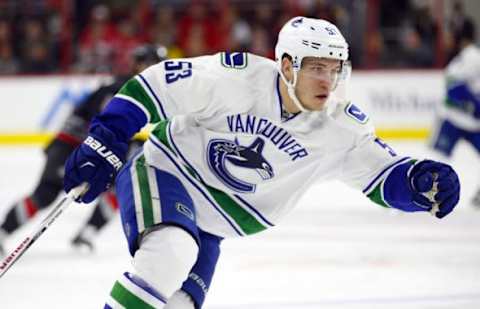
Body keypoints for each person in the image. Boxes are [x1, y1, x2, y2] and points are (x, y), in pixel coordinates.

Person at [63, 17, 460, 309]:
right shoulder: (237, 78)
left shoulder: (339, 126)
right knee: (171, 252)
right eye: (316, 68)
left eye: (334, 69)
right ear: (287, 66)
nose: (328, 81)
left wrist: (419, 182)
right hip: (167, 172)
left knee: (179, 304)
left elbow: (382, 176)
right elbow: (156, 84)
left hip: (216, 225)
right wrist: (106, 138)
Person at [0, 44, 166, 254]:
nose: (154, 69)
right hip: (71, 144)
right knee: (46, 193)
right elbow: (104, 126)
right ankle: (3, 232)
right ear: (137, 64)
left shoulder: (151, 95)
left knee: (122, 186)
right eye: (149, 63)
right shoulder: (122, 88)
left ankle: (87, 233)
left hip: (95, 148)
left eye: (158, 64)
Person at [430, 19, 479, 206]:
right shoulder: (466, 56)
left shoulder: (471, 56)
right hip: (456, 119)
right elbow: (455, 88)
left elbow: (456, 87)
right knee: (437, 159)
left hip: (460, 120)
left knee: (437, 159)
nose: (448, 38)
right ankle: (415, 189)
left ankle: (414, 190)